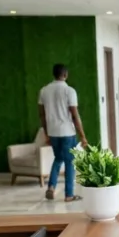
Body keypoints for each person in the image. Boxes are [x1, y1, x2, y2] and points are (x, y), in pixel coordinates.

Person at [38, 63, 88, 202]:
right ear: (65, 74)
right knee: (70, 162)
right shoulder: (69, 91)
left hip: (53, 132)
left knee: (58, 159)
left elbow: (41, 115)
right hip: (67, 132)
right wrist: (83, 136)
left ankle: (51, 187)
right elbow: (75, 115)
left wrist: (46, 133)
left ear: (54, 74)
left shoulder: (44, 91)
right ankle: (69, 194)